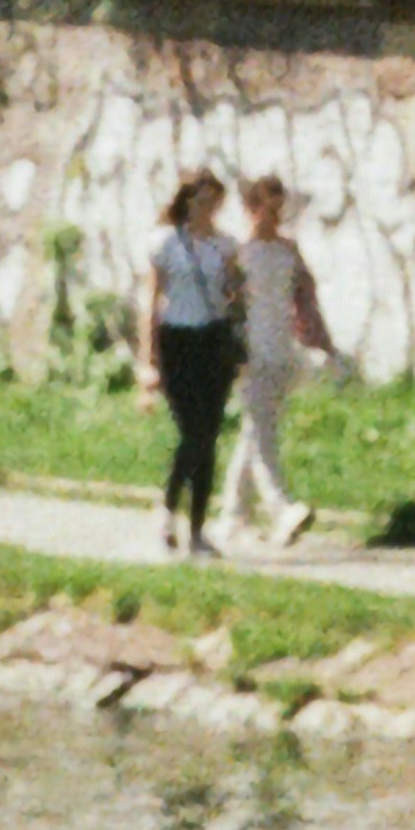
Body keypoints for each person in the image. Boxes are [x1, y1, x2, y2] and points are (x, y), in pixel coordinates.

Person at [215, 168, 333, 557]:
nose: (275, 217)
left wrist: (322, 340)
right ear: (251, 207)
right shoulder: (237, 254)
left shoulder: (288, 251)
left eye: (280, 209)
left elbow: (305, 297)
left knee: (256, 430)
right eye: (269, 208)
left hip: (282, 350)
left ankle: (232, 517)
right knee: (261, 430)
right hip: (250, 352)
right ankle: (281, 509)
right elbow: (225, 304)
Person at [139, 172, 242, 558]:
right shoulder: (166, 242)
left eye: (214, 202)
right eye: (201, 201)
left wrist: (237, 294)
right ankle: (168, 509)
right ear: (186, 201)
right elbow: (150, 300)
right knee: (192, 431)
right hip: (177, 339)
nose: (207, 209)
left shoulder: (224, 245)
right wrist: (147, 360)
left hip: (212, 340)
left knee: (209, 435)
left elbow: (233, 294)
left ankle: (197, 529)